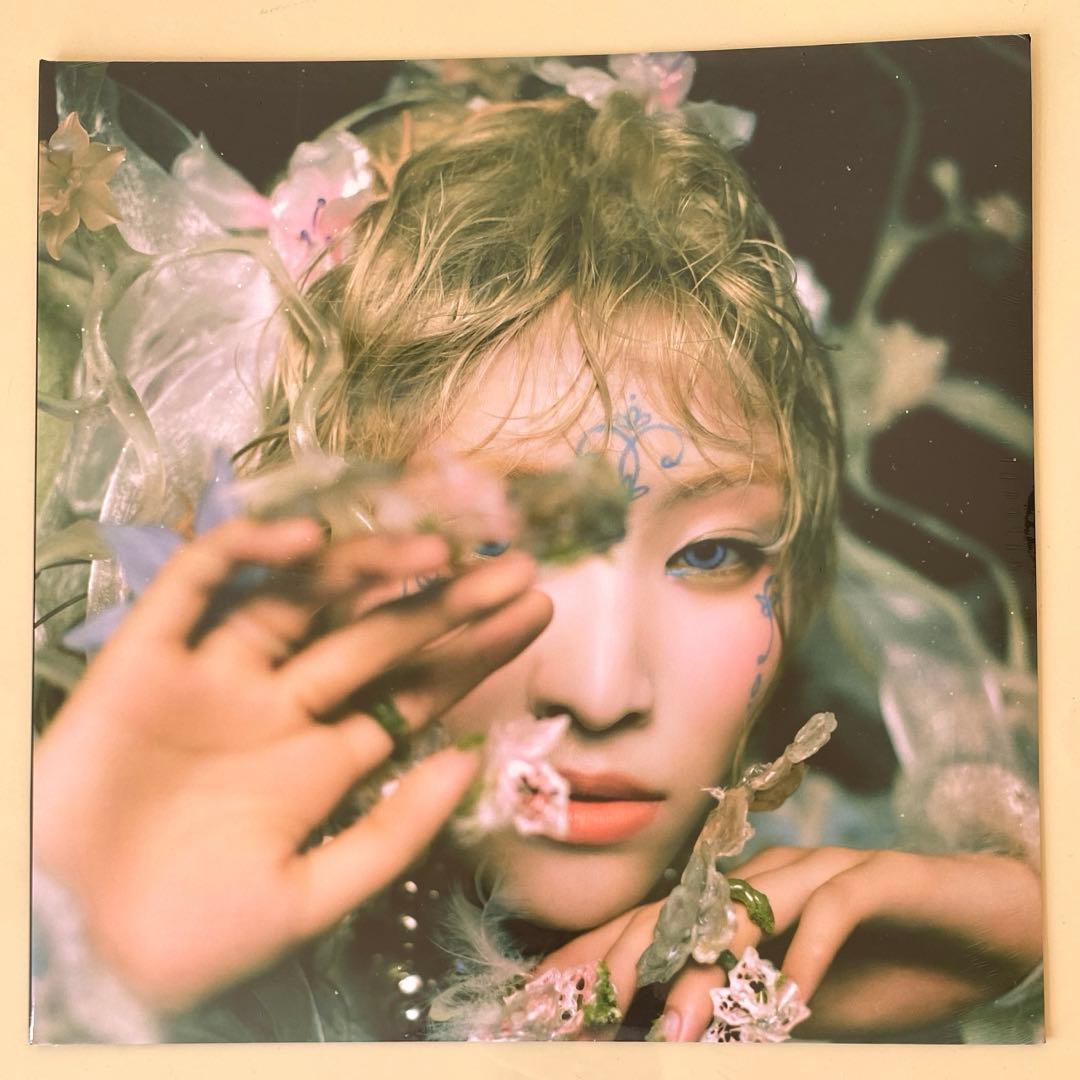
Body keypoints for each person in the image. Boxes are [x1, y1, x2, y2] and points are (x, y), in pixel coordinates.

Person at [32, 55, 1041, 1044]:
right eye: (488, 542)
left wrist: (1040, 964)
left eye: (711, 554)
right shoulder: (127, 997)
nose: (601, 693)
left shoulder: (873, 947)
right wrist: (96, 979)